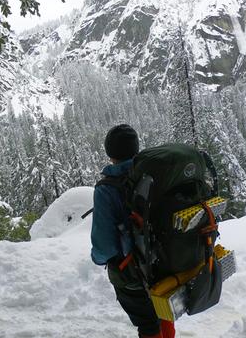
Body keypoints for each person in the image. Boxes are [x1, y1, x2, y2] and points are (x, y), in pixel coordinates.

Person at [91, 124, 175, 338]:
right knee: (163, 311)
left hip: (133, 273)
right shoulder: (154, 174)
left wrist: (98, 259)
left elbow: (104, 247)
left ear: (110, 154)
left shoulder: (106, 190)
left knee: (148, 324)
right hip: (165, 262)